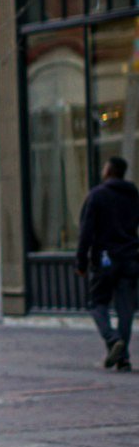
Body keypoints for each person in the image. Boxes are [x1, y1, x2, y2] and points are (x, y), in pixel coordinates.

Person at [76, 156, 139, 371]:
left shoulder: (97, 195)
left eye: (105, 167)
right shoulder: (133, 195)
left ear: (109, 171)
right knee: (125, 311)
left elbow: (86, 232)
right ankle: (123, 359)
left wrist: (81, 261)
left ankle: (113, 341)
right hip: (130, 258)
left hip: (105, 259)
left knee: (97, 303)